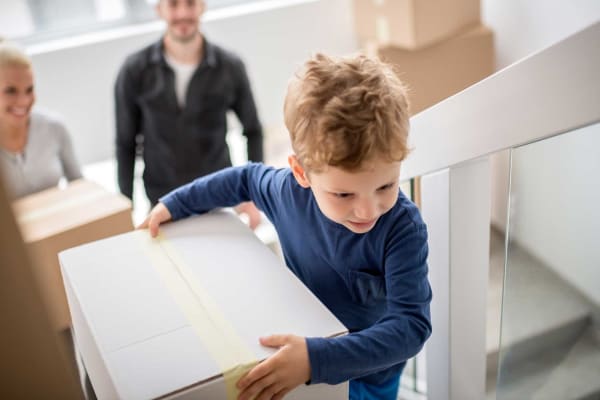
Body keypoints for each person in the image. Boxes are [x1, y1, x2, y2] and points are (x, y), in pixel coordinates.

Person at [140, 53, 432, 400]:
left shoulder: (402, 228)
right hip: (302, 344)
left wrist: (314, 360)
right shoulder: (285, 193)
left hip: (369, 370)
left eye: (386, 185)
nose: (369, 209)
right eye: (343, 193)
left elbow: (411, 326)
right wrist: (176, 202)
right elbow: (244, 178)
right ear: (301, 173)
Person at [115, 0, 263, 227]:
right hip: (161, 200)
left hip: (219, 196)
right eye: (173, 4)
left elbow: (253, 131)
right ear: (159, 10)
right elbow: (126, 143)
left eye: (190, 3)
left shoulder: (230, 66)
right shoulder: (134, 70)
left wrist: (255, 195)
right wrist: (125, 211)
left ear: (202, 6)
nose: (183, 13)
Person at [0, 39, 82, 199]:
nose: (23, 101)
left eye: (29, 89)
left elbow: (80, 185)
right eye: (10, 91)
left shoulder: (54, 127)